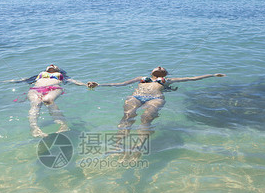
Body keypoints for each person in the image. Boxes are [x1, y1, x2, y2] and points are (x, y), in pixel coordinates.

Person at [92, 66, 225, 155]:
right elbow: (121, 84)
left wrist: (213, 75)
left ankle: (138, 147)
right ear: (152, 72)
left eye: (162, 68)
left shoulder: (167, 80)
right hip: (136, 97)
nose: (160, 66)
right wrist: (99, 85)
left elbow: (192, 78)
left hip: (155, 98)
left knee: (145, 119)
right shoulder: (141, 79)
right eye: (158, 67)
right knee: (128, 117)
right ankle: (117, 146)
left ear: (165, 73)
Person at [0, 64, 98, 137]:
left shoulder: (61, 77)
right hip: (35, 90)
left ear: (58, 70)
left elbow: (74, 81)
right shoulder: (37, 76)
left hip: (54, 88)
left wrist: (87, 84)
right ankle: (34, 128)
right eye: (50, 65)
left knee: (48, 99)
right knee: (35, 103)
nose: (52, 65)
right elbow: (18, 80)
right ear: (45, 70)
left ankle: (63, 125)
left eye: (54, 66)